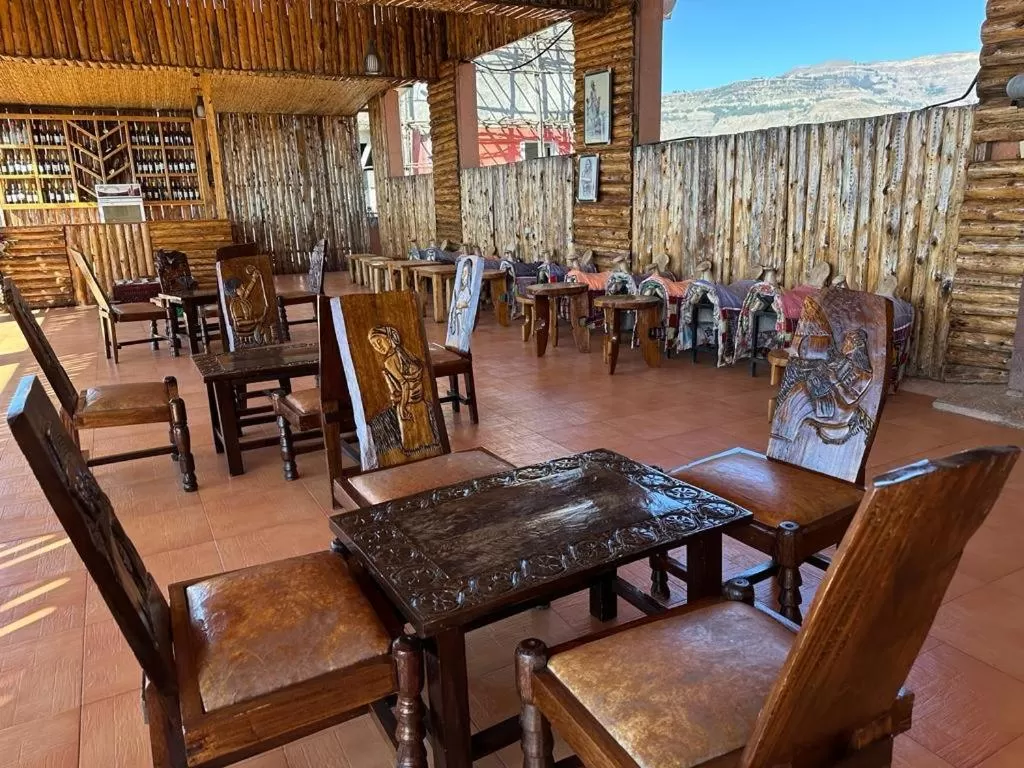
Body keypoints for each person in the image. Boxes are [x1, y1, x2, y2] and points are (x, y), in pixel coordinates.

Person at [368, 325, 436, 456]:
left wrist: (402, 406)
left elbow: (404, 384)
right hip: (420, 402)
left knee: (411, 444)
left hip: (409, 404)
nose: (378, 347)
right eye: (374, 345)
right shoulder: (404, 352)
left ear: (388, 338)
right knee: (426, 440)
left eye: (379, 341)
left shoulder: (389, 361)